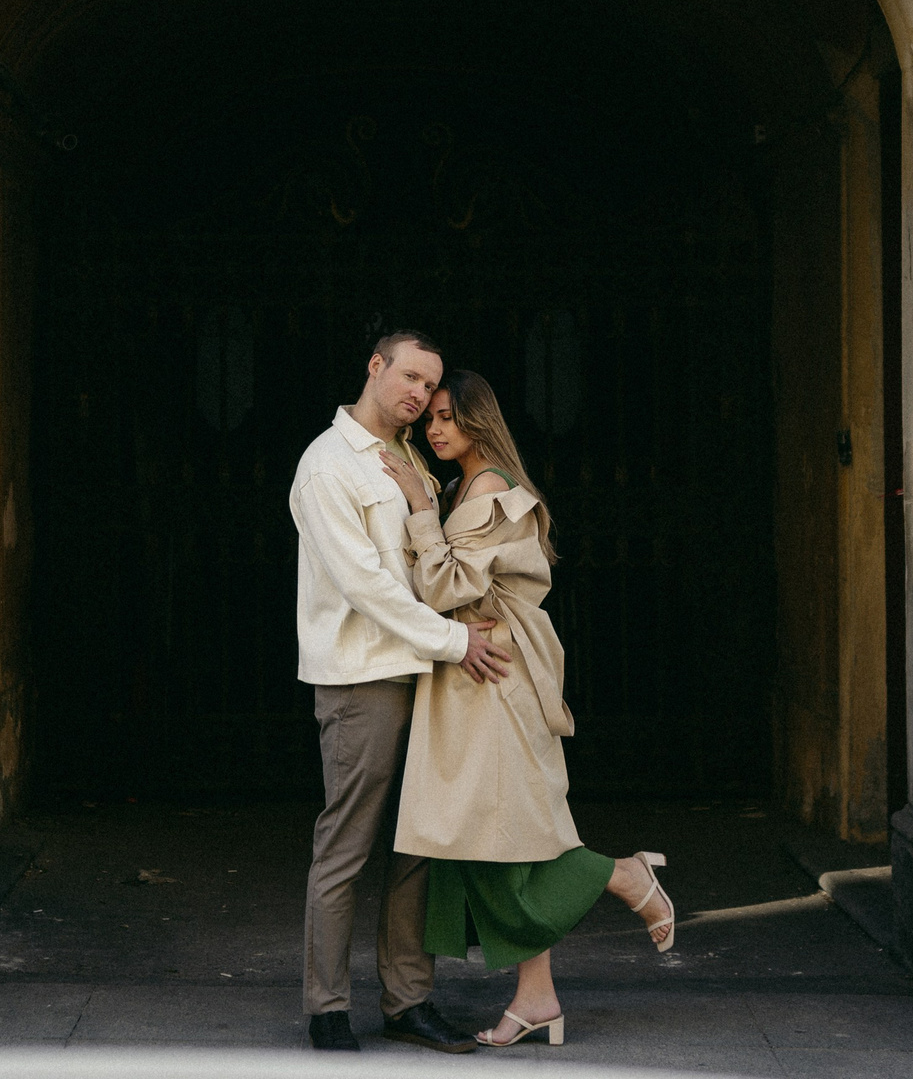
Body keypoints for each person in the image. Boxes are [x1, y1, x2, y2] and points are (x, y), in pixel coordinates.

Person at [382, 370, 675, 1047]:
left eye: (449, 416)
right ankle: (537, 997)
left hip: (492, 681)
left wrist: (419, 511)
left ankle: (623, 875)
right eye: (430, 418)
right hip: (477, 677)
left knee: (493, 837)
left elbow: (446, 588)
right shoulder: (477, 487)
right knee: (490, 837)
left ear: (480, 421)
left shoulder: (488, 493)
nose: (435, 429)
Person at [288, 329, 514, 1054]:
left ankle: (407, 1000)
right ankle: (326, 1008)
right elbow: (368, 587)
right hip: (362, 679)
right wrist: (457, 642)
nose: (420, 395)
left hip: (423, 677)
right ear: (375, 366)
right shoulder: (328, 467)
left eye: (430, 385)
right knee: (347, 845)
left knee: (417, 845)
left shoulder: (411, 456)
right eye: (410, 377)